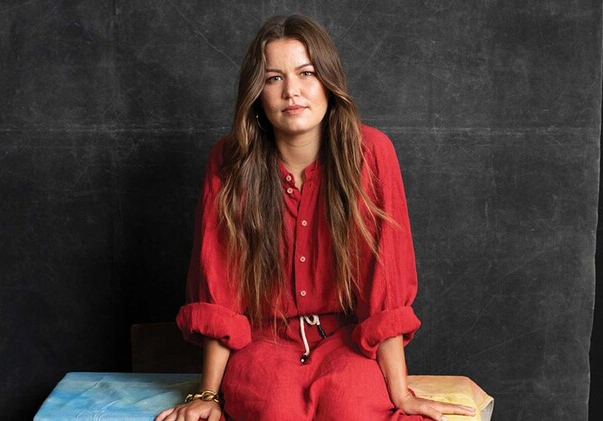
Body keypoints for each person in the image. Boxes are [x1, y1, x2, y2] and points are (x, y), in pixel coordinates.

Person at [156, 14, 476, 421]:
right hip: (264, 341)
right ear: (257, 93)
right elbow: (220, 282)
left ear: (328, 80)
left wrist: (401, 393)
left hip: (345, 341)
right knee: (275, 411)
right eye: (274, 78)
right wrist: (207, 395)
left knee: (354, 408)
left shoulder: (372, 153)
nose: (292, 91)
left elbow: (387, 282)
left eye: (306, 73)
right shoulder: (229, 161)